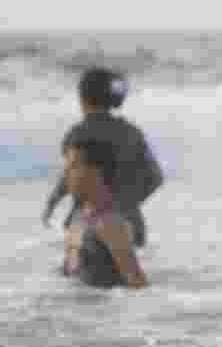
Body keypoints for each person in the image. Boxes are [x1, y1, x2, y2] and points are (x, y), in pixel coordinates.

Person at [42, 67, 164, 247]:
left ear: (83, 99)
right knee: (129, 271)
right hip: (130, 224)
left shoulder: (78, 134)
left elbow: (71, 174)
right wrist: (125, 204)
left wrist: (51, 204)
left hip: (86, 223)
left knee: (78, 272)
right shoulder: (131, 133)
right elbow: (155, 178)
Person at [61, 138, 148, 289]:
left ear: (96, 172)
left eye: (73, 167)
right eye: (67, 168)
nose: (67, 175)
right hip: (77, 310)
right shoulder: (79, 217)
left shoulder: (109, 222)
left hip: (104, 310)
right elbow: (70, 271)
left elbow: (138, 286)